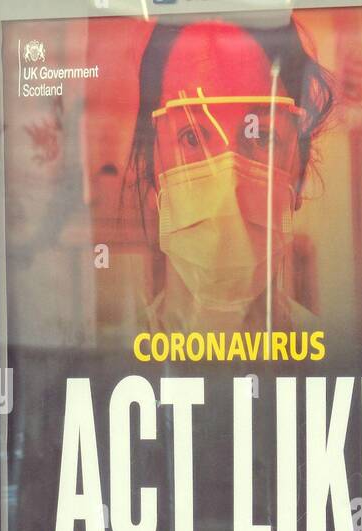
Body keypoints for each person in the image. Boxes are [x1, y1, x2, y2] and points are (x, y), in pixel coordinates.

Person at [125, 18, 334, 335]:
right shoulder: (113, 360)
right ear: (149, 167)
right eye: (192, 138)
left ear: (299, 171)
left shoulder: (332, 365)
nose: (228, 189)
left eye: (262, 136)